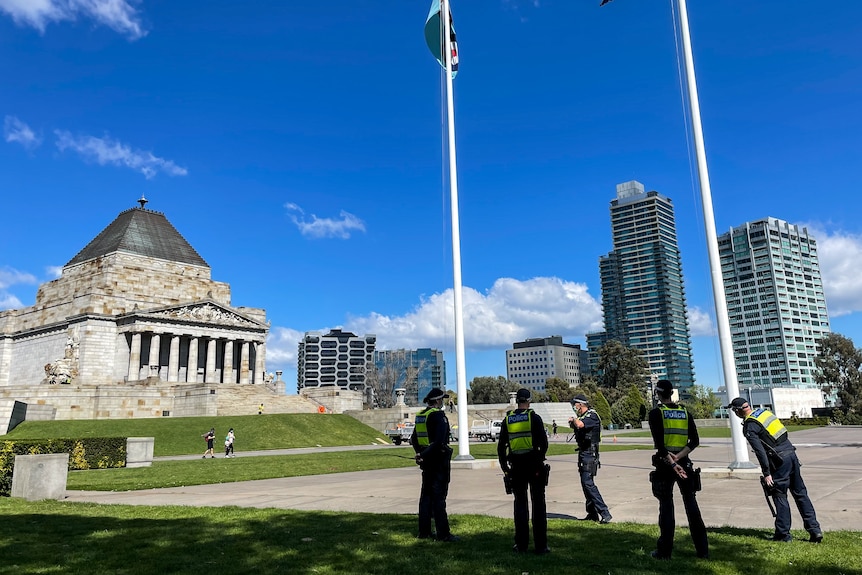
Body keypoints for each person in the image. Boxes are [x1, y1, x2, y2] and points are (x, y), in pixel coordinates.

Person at [727, 397, 823, 543]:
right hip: (791, 454)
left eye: (734, 411)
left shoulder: (750, 426)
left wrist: (766, 473)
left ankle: (783, 535)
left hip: (779, 461)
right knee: (801, 494)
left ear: (738, 410)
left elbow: (760, 452)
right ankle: (815, 530)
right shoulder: (764, 413)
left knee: (780, 496)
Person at [648, 380, 709, 560]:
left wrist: (671, 461)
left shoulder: (656, 413)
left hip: (665, 464)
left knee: (666, 506)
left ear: (658, 394)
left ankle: (664, 551)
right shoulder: (685, 413)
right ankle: (703, 551)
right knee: (691, 505)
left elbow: (660, 444)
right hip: (684, 462)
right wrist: (680, 457)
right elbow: (694, 441)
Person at [497, 388, 550, 554]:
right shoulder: (534, 418)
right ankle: (541, 546)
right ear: (529, 400)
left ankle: (521, 544)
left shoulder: (508, 420)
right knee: (538, 505)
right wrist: (538, 458)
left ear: (517, 401)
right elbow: (544, 443)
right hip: (534, 465)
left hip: (516, 466)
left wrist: (505, 468)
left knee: (520, 505)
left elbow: (501, 447)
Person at [411, 387, 459, 542]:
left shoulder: (421, 416)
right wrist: (423, 455)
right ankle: (443, 533)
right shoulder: (438, 416)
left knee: (426, 496)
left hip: (426, 461)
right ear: (438, 401)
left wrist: (420, 454)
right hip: (438, 461)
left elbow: (414, 439)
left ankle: (424, 531)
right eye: (442, 400)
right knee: (439, 498)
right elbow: (439, 441)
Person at [569, 393, 612, 524]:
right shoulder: (582, 416)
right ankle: (592, 513)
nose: (574, 407)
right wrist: (573, 423)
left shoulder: (591, 415)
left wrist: (574, 420)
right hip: (583, 453)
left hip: (590, 453)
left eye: (575, 404)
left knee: (588, 483)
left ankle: (604, 512)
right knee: (585, 483)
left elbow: (581, 425)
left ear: (581, 404)